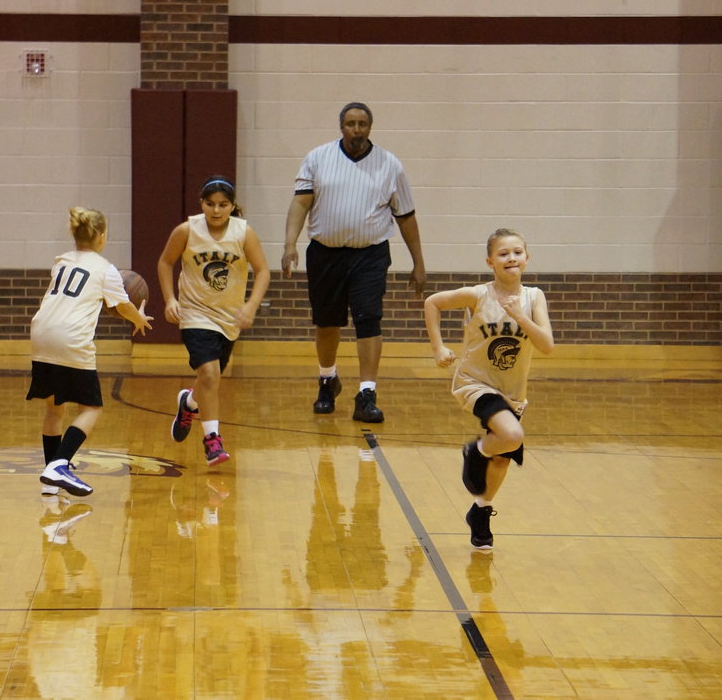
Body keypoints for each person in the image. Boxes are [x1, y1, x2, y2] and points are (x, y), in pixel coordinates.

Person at [282, 102, 426, 423]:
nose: (357, 130)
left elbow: (406, 217)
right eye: (351, 124)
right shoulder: (318, 158)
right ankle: (327, 381)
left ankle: (367, 393)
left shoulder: (390, 165)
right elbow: (300, 204)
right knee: (327, 322)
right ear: (341, 126)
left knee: (368, 319)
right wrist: (290, 244)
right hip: (325, 252)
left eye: (362, 124)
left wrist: (419, 262)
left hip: (370, 254)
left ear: (370, 128)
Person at [422, 228, 553, 550]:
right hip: (475, 383)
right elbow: (432, 303)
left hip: (513, 391)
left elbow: (546, 345)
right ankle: (475, 451)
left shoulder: (533, 297)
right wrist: (439, 348)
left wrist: (521, 316)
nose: (511, 258)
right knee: (511, 436)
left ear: (527, 257)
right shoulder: (478, 294)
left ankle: (480, 511)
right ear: (490, 261)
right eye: (503, 253)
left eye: (517, 252)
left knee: (503, 459)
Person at [28, 207, 153, 497]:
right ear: (102, 236)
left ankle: (51, 478)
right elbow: (122, 306)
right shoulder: (105, 269)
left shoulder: (61, 262)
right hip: (71, 338)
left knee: (54, 408)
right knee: (91, 407)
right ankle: (59, 464)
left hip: (41, 335)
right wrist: (139, 318)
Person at [158, 175, 271, 465]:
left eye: (223, 205)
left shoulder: (244, 233)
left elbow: (262, 271)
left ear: (232, 205)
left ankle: (190, 403)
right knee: (209, 374)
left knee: (210, 378)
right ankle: (212, 441)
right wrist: (171, 299)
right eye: (210, 204)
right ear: (202, 204)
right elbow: (165, 262)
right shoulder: (187, 230)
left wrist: (251, 305)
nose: (216, 211)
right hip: (195, 313)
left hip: (229, 317)